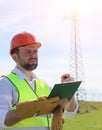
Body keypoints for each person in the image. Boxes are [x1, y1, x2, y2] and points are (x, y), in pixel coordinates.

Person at [0, 32, 78, 130]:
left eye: (35, 51)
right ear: (15, 57)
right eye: (27, 52)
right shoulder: (5, 83)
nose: (33, 55)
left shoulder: (43, 85)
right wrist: (33, 108)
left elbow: (70, 113)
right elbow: (1, 120)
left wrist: (68, 89)